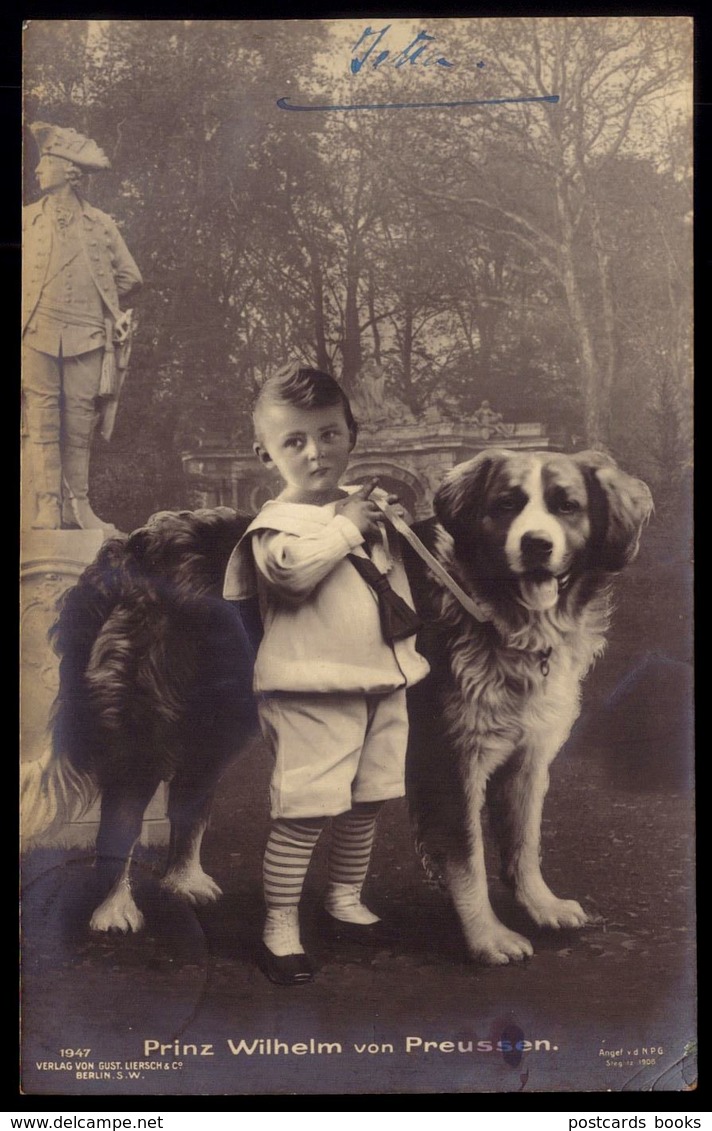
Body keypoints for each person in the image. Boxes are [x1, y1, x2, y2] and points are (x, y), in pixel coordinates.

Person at [223, 367, 430, 985]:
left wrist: (377, 523)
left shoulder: (362, 510)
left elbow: (396, 581)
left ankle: (343, 898)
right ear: (266, 453)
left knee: (367, 802)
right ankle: (279, 924)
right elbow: (292, 576)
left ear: (351, 435)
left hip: (380, 679)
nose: (316, 452)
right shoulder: (273, 526)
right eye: (295, 442)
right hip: (309, 686)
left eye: (329, 434)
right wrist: (348, 528)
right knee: (306, 810)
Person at [23, 121, 142, 533]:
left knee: (78, 425)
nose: (38, 172)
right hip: (35, 333)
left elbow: (130, 277)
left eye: (45, 164)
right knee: (42, 422)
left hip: (88, 335)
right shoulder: (25, 221)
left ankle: (80, 507)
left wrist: (100, 303)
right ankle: (46, 507)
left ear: (68, 172)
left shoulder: (100, 224)